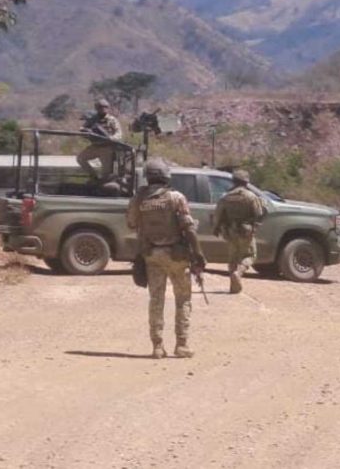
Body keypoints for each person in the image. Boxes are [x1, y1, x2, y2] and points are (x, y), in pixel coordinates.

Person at [127, 158, 205, 359]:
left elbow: (131, 223)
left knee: (156, 300)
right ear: (166, 175)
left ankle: (157, 347)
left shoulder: (139, 199)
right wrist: (198, 255)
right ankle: (182, 344)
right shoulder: (176, 197)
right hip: (177, 256)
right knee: (183, 300)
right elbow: (188, 228)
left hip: (151, 255)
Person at [213, 169, 267, 294]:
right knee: (250, 255)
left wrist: (216, 228)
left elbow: (218, 214)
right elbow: (259, 213)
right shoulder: (250, 196)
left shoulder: (226, 197)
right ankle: (239, 272)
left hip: (230, 231)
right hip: (246, 231)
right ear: (246, 182)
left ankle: (233, 286)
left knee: (233, 258)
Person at [76, 98, 123, 180]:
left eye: (105, 107)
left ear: (108, 108)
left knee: (106, 174)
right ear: (97, 108)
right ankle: (94, 176)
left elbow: (119, 134)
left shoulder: (112, 120)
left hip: (107, 148)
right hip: (95, 146)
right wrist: (86, 132)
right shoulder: (92, 119)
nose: (103, 109)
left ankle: (103, 185)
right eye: (100, 107)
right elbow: (84, 130)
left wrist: (110, 138)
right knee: (81, 158)